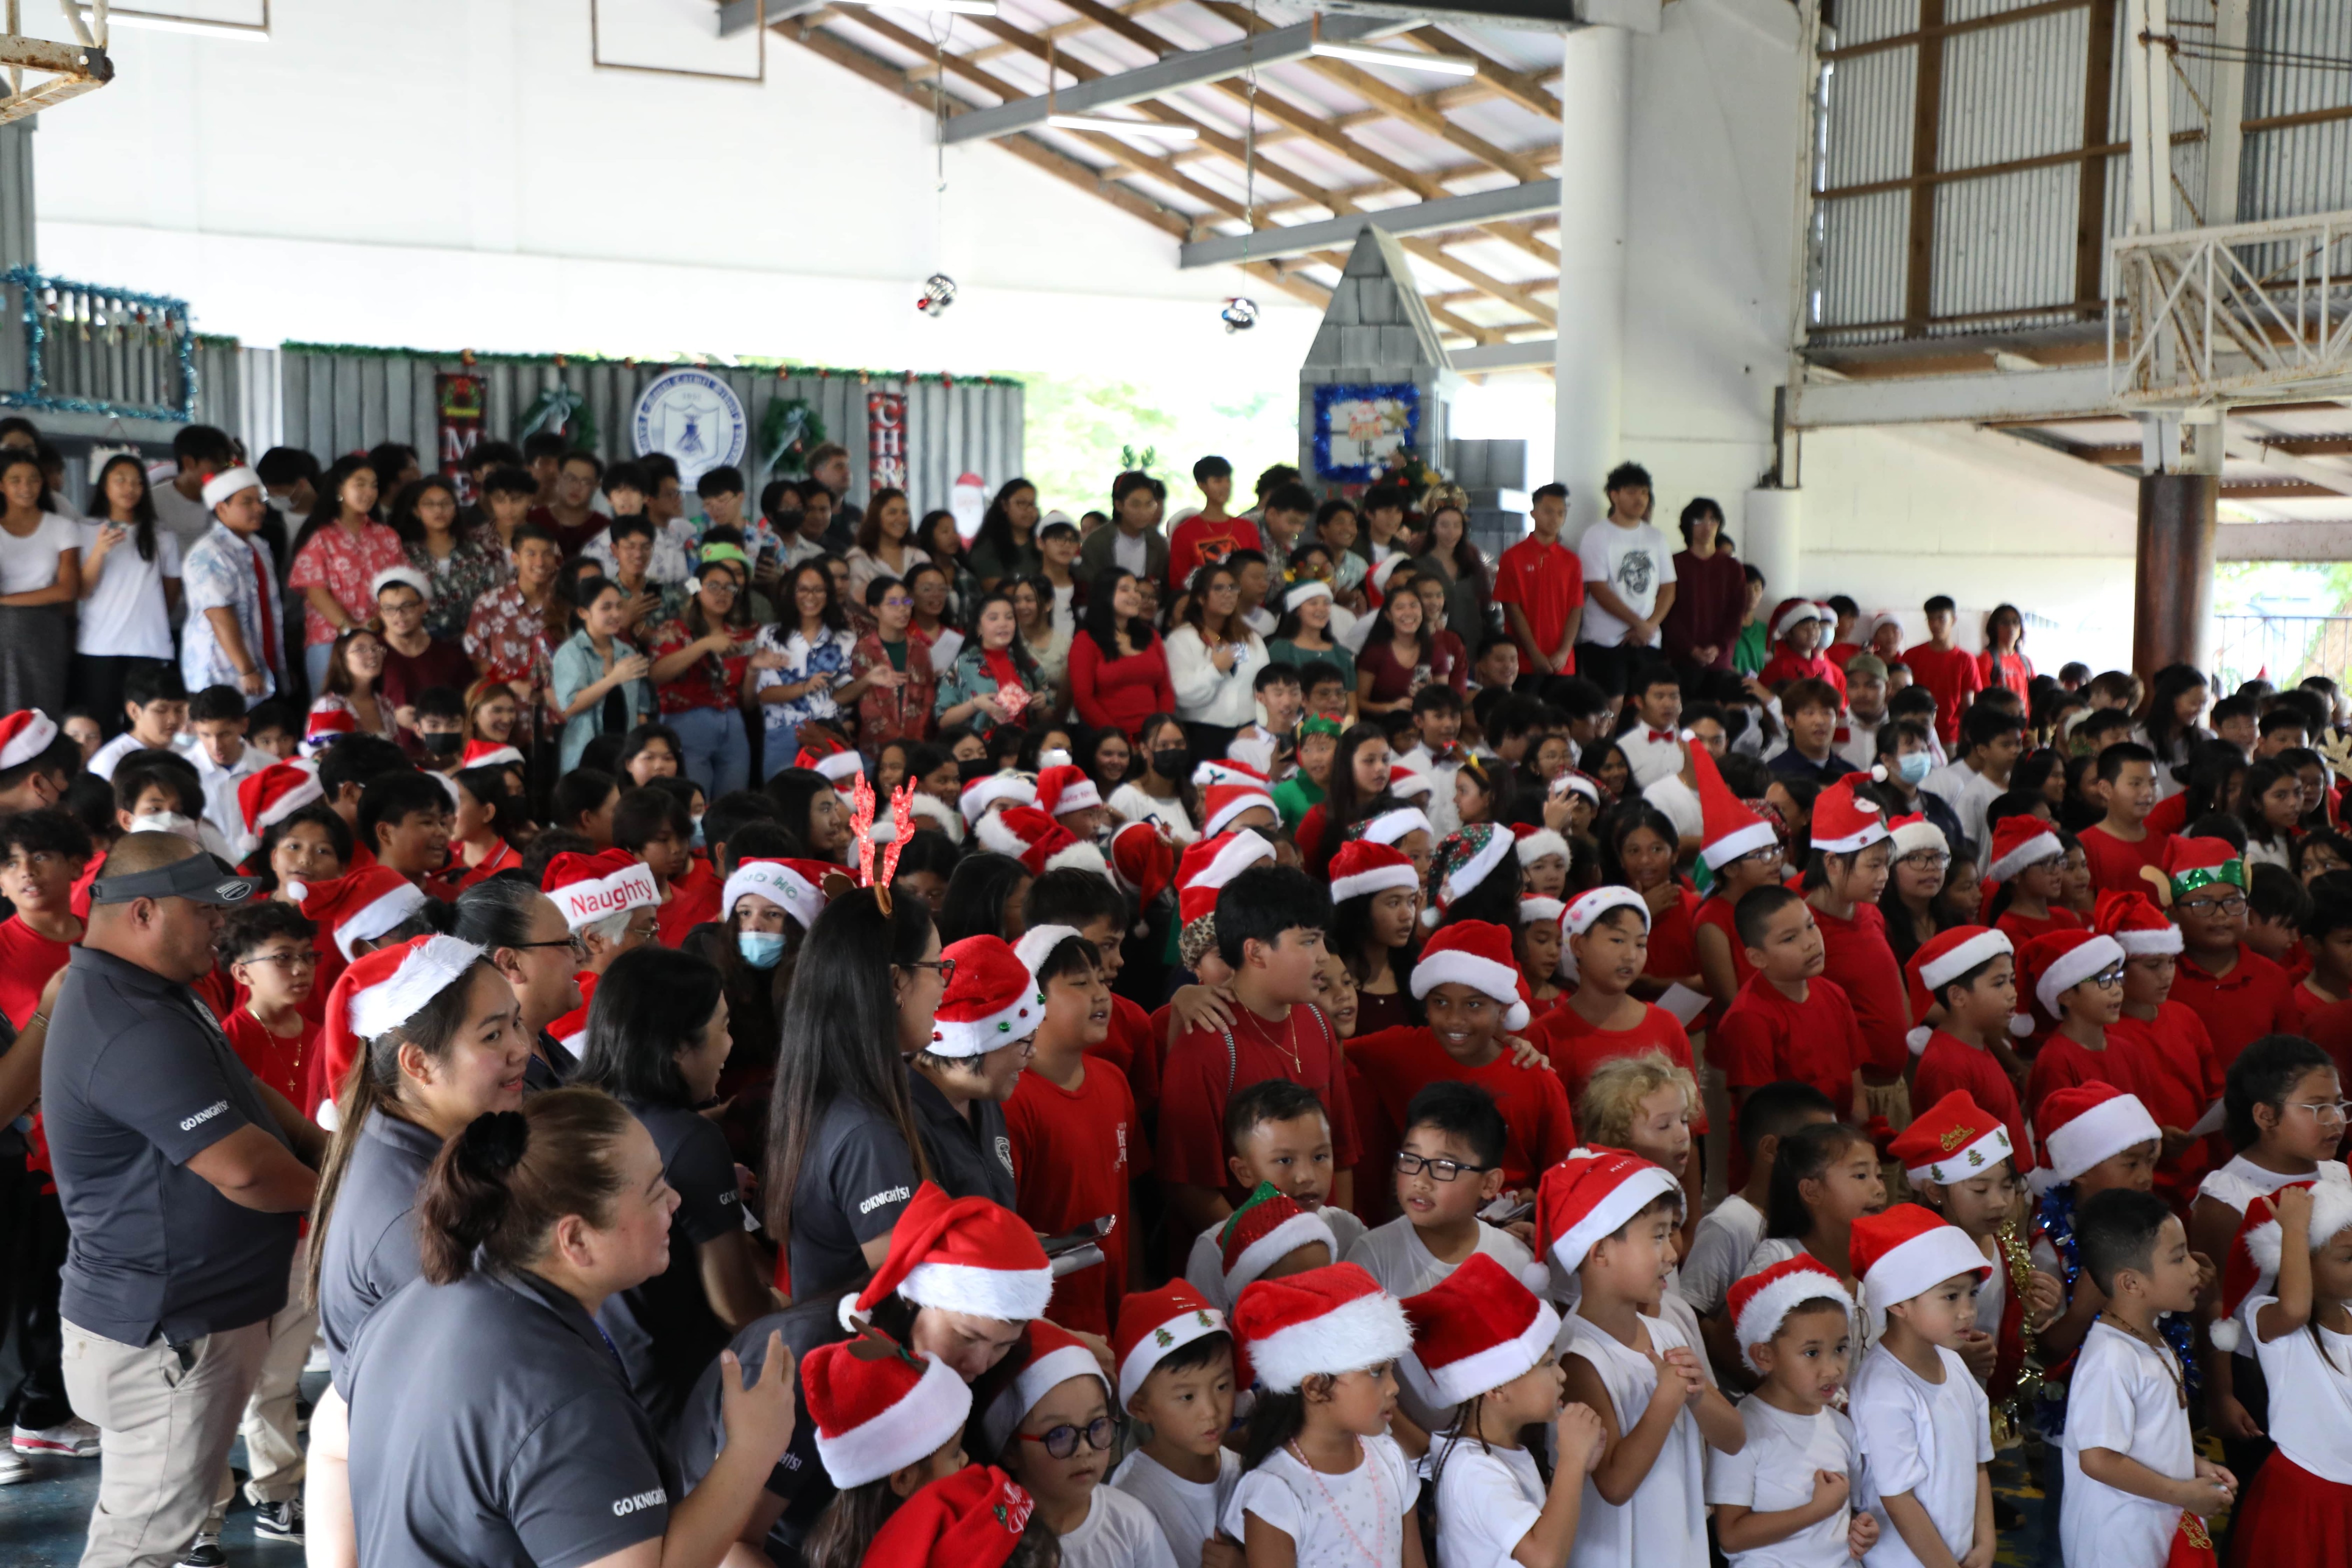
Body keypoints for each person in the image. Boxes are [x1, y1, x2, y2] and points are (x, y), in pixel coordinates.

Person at [340, 1092, 799, 1566]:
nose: (676, 1201)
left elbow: (334, 1444)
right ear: (576, 1239)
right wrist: (752, 1449)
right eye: (655, 1191)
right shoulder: (566, 1402)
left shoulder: (406, 1305)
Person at [41, 834, 324, 1568]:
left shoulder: (154, 991)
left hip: (183, 1318)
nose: (219, 927)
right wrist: (345, 1198)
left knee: (152, 1522)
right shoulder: (128, 1021)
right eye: (203, 912)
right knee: (141, 1546)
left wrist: (328, 1150)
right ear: (142, 912)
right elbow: (244, 1170)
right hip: (169, 1332)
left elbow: (243, 1089)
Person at [572, 944, 770, 1440]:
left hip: (610, 1398)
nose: (730, 1044)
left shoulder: (573, 1115)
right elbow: (738, 1308)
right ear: (679, 1047)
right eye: (723, 1027)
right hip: (691, 1407)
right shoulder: (692, 1143)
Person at [1537, 1148, 1742, 1568]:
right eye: (1657, 1236)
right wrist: (1666, 1399)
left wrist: (1697, 1396)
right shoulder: (1579, 1358)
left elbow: (1734, 1439)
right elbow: (1615, 1484)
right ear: (1600, 1252)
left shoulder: (1667, 1334)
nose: (1672, 1254)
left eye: (1670, 1234)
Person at [764, 884, 946, 1300]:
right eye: (938, 966)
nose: (943, 985)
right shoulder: (865, 1133)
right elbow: (910, 1293)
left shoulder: (828, 1096)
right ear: (896, 981)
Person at [1408, 1254, 1604, 1568]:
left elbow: (1539, 1520)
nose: (1562, 1375)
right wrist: (1571, 1460)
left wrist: (1580, 1471)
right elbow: (1544, 1559)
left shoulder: (1494, 1454)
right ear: (1497, 1388)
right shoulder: (1475, 1471)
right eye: (1548, 1364)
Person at [1221, 1263, 1422, 1566]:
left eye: (1391, 1369)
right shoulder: (1276, 1491)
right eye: (1377, 1372)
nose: (1394, 1388)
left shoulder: (1391, 1458)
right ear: (1315, 1388)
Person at [1846, 1205, 1997, 1568]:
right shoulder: (1885, 1390)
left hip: (1958, 1555)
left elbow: (1978, 1463)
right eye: (1951, 1297)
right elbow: (1899, 1499)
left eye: (1972, 1294)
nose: (1967, 1311)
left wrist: (1986, 1543)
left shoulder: (1954, 1364)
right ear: (1899, 1303)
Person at [2212, 1181, 2352, 1564]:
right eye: (2348, 1258)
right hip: (2304, 1498)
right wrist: (2294, 1229)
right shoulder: (2269, 1314)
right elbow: (2295, 1309)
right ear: (2297, 1261)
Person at [1710, 1257, 1875, 1566]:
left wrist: (1861, 1528)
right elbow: (1731, 1536)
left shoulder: (1843, 1428)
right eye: (1812, 1353)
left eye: (1840, 1349)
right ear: (1764, 1356)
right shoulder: (1740, 1429)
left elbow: (1846, 1513)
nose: (1832, 1370)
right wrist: (1816, 1511)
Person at [1714, 884, 1866, 1129]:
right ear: (1757, 958)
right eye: (1790, 938)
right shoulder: (1748, 1018)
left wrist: (1856, 1132)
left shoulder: (1834, 994)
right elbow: (1764, 1116)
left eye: (1811, 925)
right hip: (1791, 1144)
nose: (1810, 943)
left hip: (1841, 1134)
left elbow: (1856, 1089)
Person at [70, 454, 182, 726]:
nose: (129, 488)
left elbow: (170, 592)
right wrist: (100, 550)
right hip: (99, 645)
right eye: (120, 481)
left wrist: (151, 617)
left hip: (149, 645)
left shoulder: (162, 535)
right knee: (102, 723)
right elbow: (82, 591)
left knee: (148, 726)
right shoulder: (84, 531)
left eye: (137, 482)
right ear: (105, 486)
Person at [647, 542, 762, 798]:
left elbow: (748, 700)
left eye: (730, 588)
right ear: (697, 590)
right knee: (693, 799)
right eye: (713, 586)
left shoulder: (742, 636)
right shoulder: (674, 630)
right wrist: (704, 645)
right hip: (686, 720)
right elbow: (657, 674)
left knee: (733, 802)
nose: (722, 594)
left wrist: (755, 670)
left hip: (733, 722)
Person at [287, 456, 405, 697]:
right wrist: (349, 629)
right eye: (360, 484)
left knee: (379, 707)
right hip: (330, 640)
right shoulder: (320, 536)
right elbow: (315, 590)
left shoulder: (387, 536)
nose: (369, 492)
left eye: (373, 485)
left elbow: (400, 585)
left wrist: (375, 624)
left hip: (380, 638)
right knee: (332, 709)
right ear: (339, 488)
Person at [463, 523, 566, 753]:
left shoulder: (565, 606)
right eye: (531, 554)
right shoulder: (490, 604)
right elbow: (478, 658)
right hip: (507, 719)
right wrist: (511, 684)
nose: (540, 562)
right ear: (516, 558)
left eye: (547, 554)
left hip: (557, 718)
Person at [754, 560, 860, 775]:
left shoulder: (846, 639)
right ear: (791, 593)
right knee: (783, 793)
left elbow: (848, 695)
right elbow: (765, 694)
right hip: (784, 733)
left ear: (829, 594)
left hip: (831, 733)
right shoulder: (771, 636)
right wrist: (806, 687)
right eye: (803, 589)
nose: (810, 597)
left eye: (818, 590)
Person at [550, 574, 656, 776]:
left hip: (625, 754)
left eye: (619, 606)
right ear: (583, 612)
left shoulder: (627, 652)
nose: (616, 614)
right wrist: (613, 679)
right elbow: (569, 706)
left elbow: (641, 709)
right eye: (606, 608)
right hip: (585, 755)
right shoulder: (571, 652)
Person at [1164, 563, 1268, 762]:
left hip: (1248, 732)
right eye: (1219, 588)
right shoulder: (1181, 640)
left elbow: (1264, 686)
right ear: (1201, 597)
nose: (1228, 594)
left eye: (1233, 588)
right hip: (1202, 736)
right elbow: (1181, 695)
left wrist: (1261, 727)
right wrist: (1215, 670)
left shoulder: (1251, 638)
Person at [390, 474, 510, 645]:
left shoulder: (476, 552)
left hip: (474, 642)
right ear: (416, 511)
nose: (439, 510)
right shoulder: (405, 556)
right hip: (421, 644)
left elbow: (493, 598)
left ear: (455, 509)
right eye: (429, 504)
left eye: (446, 503)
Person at [1070, 568, 1175, 742]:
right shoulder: (1086, 640)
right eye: (1125, 590)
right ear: (1105, 594)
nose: (1135, 596)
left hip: (1154, 739)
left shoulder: (1151, 636)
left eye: (1136, 591)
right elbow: (1084, 700)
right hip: (1108, 740)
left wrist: (1161, 731)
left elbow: (1165, 690)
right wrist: (1118, 739)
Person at [1494, 482, 1582, 687]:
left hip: (1563, 663)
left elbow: (1576, 609)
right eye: (1549, 512)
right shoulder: (1513, 557)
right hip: (1523, 662)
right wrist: (1534, 654)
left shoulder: (1572, 561)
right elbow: (1511, 608)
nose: (1555, 518)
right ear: (1534, 513)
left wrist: (1564, 652)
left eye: (1561, 513)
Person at [936, 588, 1050, 741]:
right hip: (980, 747)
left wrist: (1042, 705)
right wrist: (975, 704)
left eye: (1009, 617)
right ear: (979, 628)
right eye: (993, 618)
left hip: (1023, 745)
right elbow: (943, 720)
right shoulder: (963, 665)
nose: (1003, 624)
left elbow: (1050, 717)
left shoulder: (1029, 664)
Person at [1080, 470, 1170, 588]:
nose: (1143, 512)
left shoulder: (1158, 543)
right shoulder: (1097, 543)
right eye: (1136, 505)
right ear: (1119, 505)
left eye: (1149, 504)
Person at [845, 486, 929, 604]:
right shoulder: (859, 558)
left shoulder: (919, 557)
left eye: (905, 513)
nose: (901, 519)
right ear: (876, 517)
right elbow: (860, 600)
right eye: (892, 513)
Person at [971, 478, 1044, 589]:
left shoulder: (1041, 545)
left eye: (1032, 504)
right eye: (1022, 504)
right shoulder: (988, 549)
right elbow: (997, 589)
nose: (1030, 510)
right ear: (1004, 505)